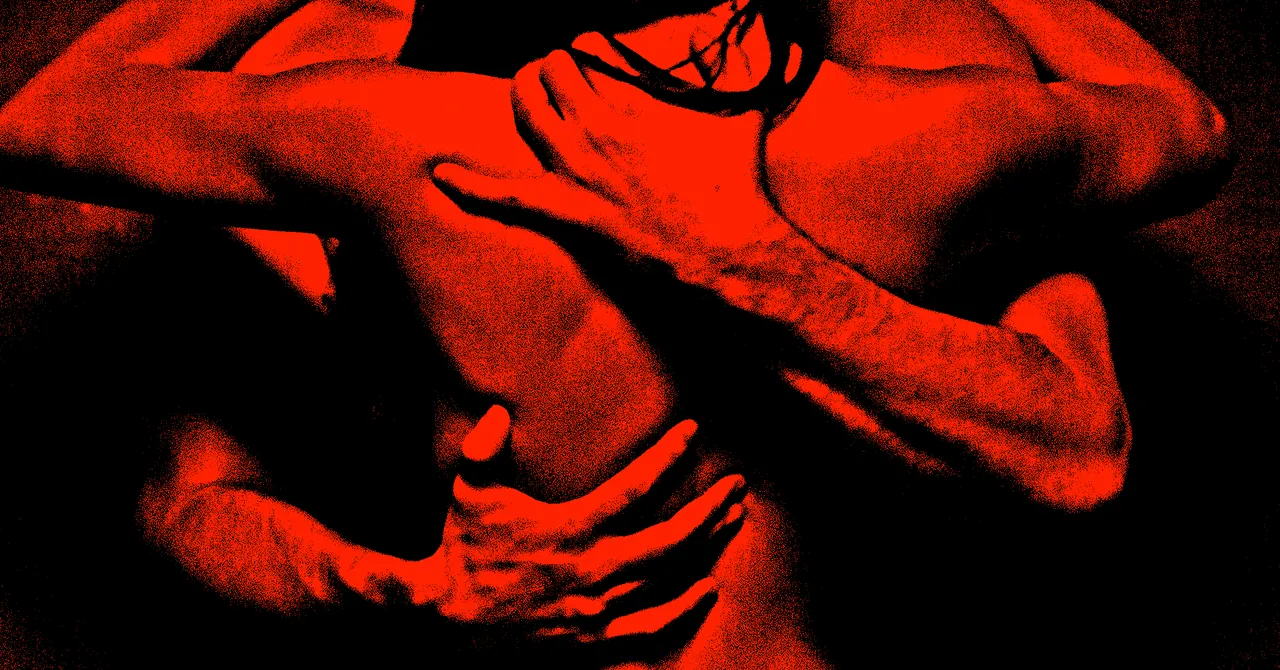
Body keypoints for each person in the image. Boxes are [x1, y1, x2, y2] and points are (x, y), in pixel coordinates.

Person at [0, 0, 1228, 665]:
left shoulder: (379, 130)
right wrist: (404, 593)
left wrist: (744, 260)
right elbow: (1186, 129)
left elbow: (43, 116)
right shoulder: (915, 125)